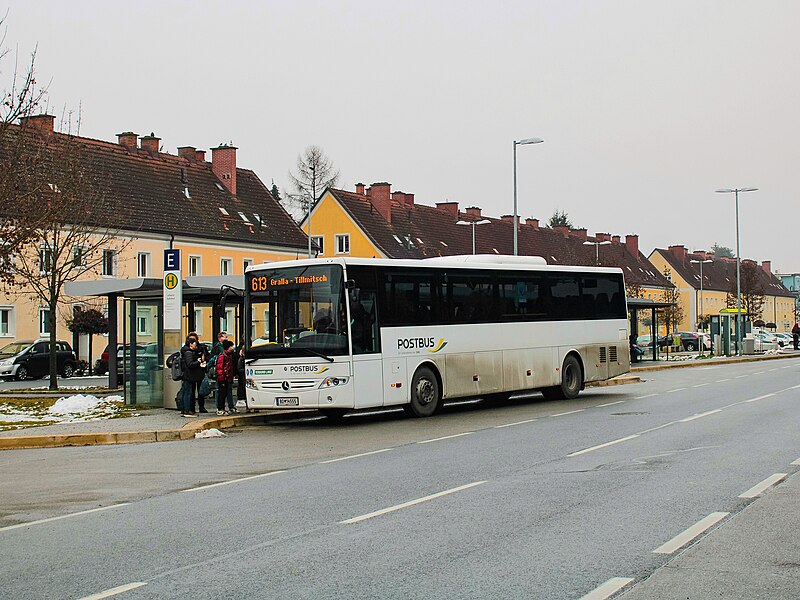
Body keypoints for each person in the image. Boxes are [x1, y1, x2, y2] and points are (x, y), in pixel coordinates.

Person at [180, 337, 204, 417]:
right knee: (188, 393)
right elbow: (190, 364)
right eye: (194, 344)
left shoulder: (187, 352)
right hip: (188, 375)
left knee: (187, 392)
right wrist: (198, 361)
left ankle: (185, 409)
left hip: (188, 375)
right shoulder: (188, 353)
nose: (196, 346)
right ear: (191, 344)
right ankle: (186, 410)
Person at [187, 332, 209, 413]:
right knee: (191, 391)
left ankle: (201, 406)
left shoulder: (201, 348)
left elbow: (207, 356)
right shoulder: (187, 350)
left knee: (201, 390)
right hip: (191, 372)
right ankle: (191, 407)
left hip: (200, 371)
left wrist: (204, 360)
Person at [215, 339, 236, 415]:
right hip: (223, 378)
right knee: (222, 394)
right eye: (231, 346)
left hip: (227, 378)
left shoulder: (228, 355)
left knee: (224, 393)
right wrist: (221, 379)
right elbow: (219, 368)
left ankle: (222, 408)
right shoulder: (223, 356)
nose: (232, 348)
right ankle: (220, 408)